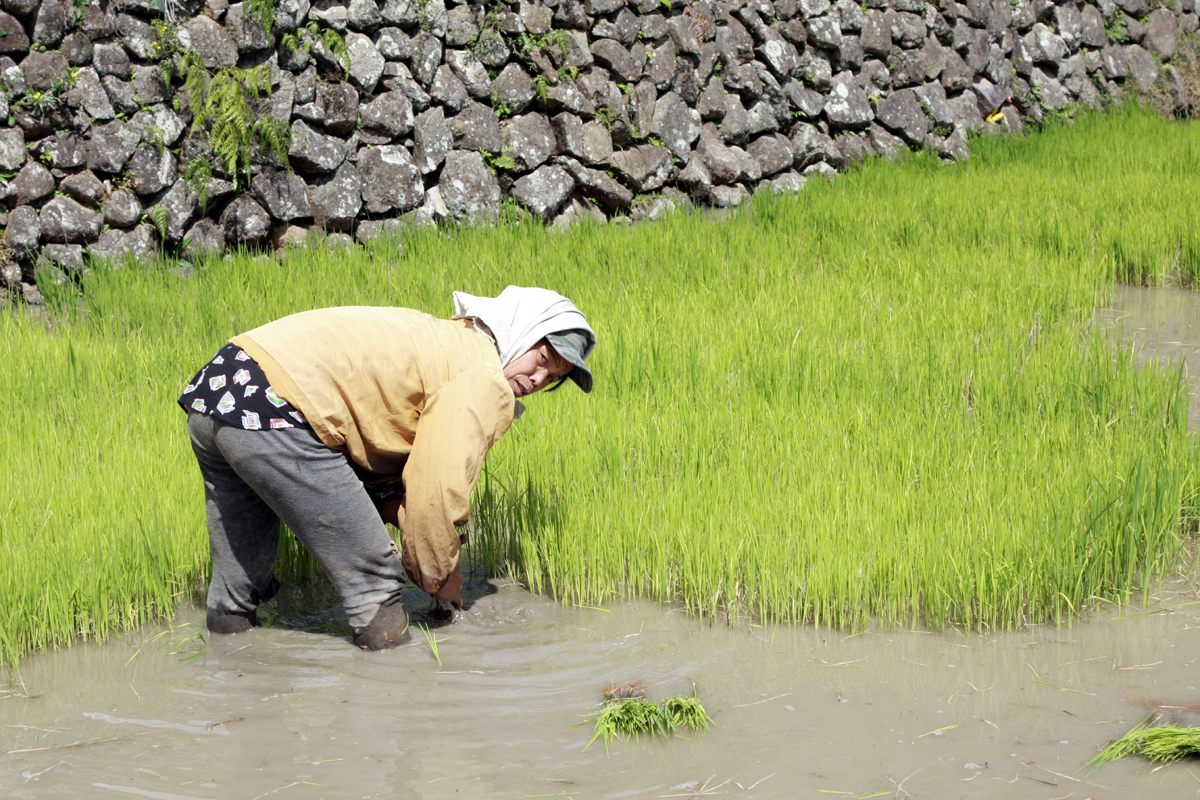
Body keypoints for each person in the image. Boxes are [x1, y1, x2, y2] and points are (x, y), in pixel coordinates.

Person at [179, 286, 595, 650]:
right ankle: (397, 695)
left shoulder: (445, 341)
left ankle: (230, 672)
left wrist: (399, 513)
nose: (538, 378)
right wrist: (438, 575)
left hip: (221, 391)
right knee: (375, 581)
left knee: (239, 578)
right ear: (519, 332)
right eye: (541, 357)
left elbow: (368, 442)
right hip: (279, 408)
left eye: (552, 376)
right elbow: (437, 490)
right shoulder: (482, 375)